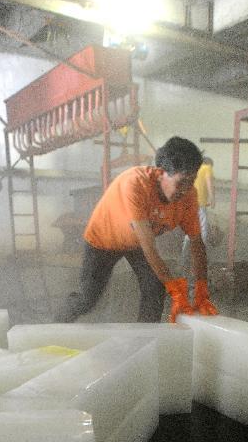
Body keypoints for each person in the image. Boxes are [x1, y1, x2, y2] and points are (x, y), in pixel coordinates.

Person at [60, 136, 218, 324]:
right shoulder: (136, 183)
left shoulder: (188, 196)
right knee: (88, 299)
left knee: (154, 286)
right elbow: (149, 248)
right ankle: (54, 328)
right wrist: (175, 290)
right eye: (181, 182)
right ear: (161, 173)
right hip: (102, 241)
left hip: (135, 243)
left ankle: (146, 339)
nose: (186, 190)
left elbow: (197, 244)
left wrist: (202, 289)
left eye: (191, 181)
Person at [181, 156, 215, 269]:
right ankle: (201, 256)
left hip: (189, 203)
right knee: (203, 230)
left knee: (189, 230)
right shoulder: (207, 168)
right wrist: (212, 197)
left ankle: (184, 258)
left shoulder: (194, 169)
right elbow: (209, 182)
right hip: (199, 204)